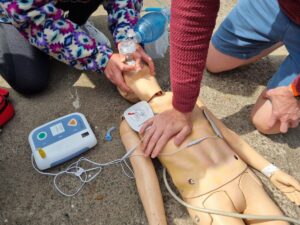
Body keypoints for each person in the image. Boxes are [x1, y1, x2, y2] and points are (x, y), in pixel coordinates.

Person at [118, 65, 300, 225]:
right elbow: (144, 174)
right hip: (207, 197)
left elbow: (227, 134)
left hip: (244, 179)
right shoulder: (131, 122)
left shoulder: (184, 96)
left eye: (138, 57)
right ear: (123, 88)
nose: (131, 59)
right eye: (124, 66)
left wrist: (272, 171)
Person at [140, 0, 300, 158]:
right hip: (279, 6)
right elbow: (192, 10)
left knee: (267, 121)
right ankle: (280, 36)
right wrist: (181, 109)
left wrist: (295, 90)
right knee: (213, 61)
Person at [0, 0, 154, 95]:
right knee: (29, 80)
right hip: (16, 12)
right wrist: (100, 58)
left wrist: (126, 36)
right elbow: (40, 25)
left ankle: (73, 29)